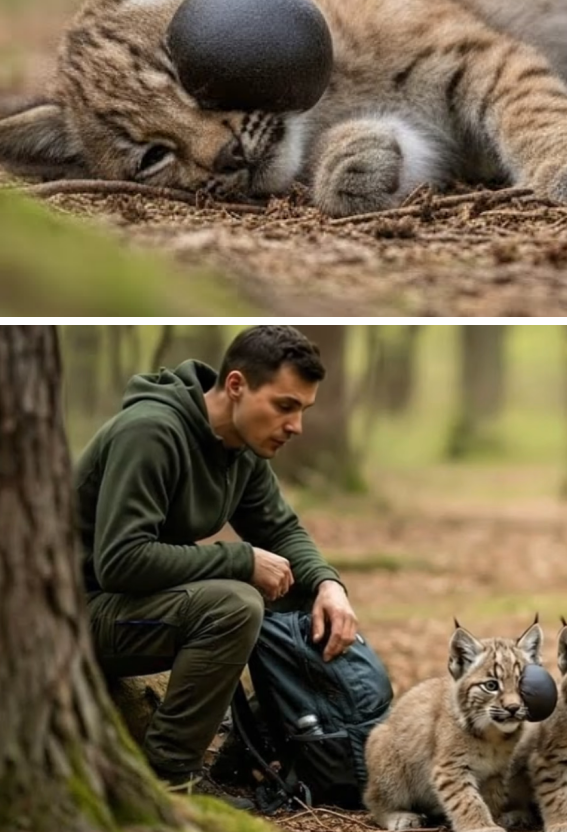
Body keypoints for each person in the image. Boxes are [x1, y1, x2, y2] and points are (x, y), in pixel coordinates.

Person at [77, 325, 358, 802]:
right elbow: (121, 561)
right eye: (284, 406)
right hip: (73, 613)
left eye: (303, 411)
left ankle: (248, 756)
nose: (296, 426)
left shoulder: (239, 449)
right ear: (235, 386)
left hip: (132, 603)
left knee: (307, 595)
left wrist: (329, 586)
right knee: (234, 604)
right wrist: (239, 559)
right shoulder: (151, 432)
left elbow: (282, 531)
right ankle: (169, 780)